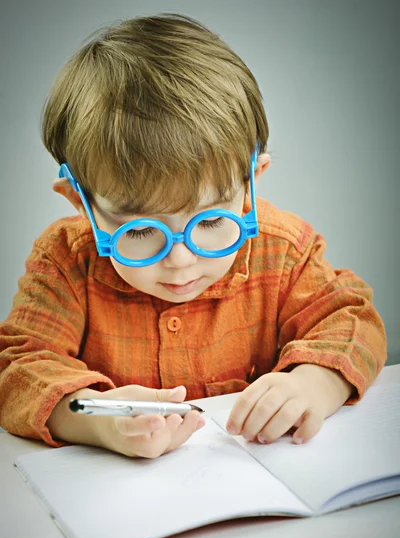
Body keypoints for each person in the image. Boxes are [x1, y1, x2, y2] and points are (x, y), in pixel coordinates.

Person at [0, 14, 386, 459]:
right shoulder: (66, 260)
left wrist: (313, 383)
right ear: (80, 203)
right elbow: (18, 366)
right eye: (142, 229)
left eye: (207, 223)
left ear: (250, 186)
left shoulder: (282, 251)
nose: (181, 259)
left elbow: (352, 319)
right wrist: (96, 420)